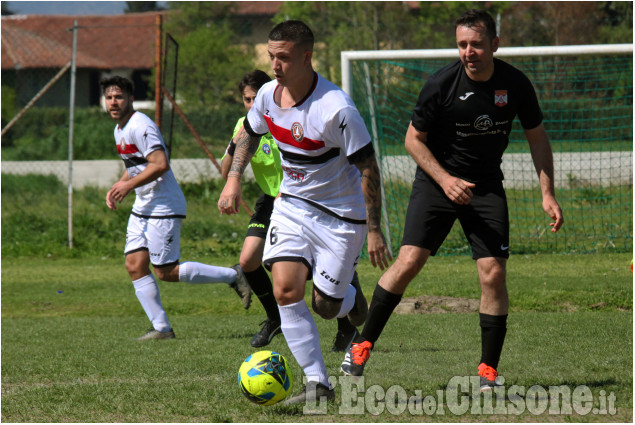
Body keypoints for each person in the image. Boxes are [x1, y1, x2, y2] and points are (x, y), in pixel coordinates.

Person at [340, 9, 564, 391]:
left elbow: (537, 137)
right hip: (435, 183)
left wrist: (548, 194)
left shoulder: (515, 84)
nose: (468, 52)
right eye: (462, 44)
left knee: (493, 272)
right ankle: (360, 346)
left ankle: (488, 374)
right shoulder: (441, 83)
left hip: (486, 186)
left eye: (476, 44)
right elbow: (413, 139)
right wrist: (444, 180)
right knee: (409, 261)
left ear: (495, 44)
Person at [218, 20, 392, 404]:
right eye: (271, 57)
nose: (275, 65)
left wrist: (374, 229)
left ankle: (349, 298)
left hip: (341, 216)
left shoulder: (336, 108)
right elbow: (248, 133)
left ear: (306, 57)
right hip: (292, 205)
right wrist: (233, 179)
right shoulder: (266, 95)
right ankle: (319, 384)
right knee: (284, 289)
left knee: (326, 307)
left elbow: (368, 168)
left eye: (283, 58)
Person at [101, 75, 252, 341]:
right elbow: (136, 166)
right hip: (144, 205)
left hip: (164, 205)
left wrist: (128, 186)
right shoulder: (119, 129)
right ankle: (162, 328)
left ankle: (233, 275)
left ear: (130, 99)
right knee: (135, 264)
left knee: (166, 272)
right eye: (109, 97)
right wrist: (120, 184)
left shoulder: (140, 125)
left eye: (119, 97)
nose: (114, 102)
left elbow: (159, 164)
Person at [221, 70, 364, 351]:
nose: (251, 105)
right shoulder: (247, 124)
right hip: (272, 201)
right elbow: (226, 167)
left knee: (318, 287)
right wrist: (232, 176)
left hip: (306, 199)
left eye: (255, 98)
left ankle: (346, 316)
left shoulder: (284, 119)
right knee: (249, 260)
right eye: (246, 100)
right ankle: (275, 318)